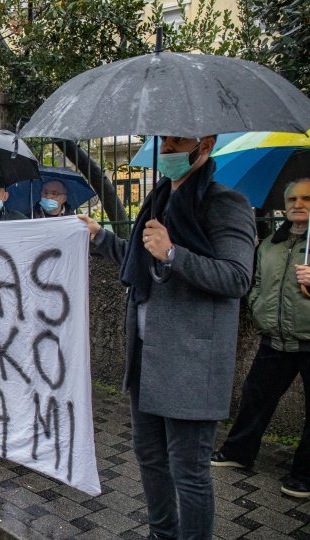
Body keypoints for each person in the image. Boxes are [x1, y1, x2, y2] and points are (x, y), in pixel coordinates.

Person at [78, 134, 256, 539]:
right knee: (149, 456)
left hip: (191, 364)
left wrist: (174, 254)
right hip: (147, 356)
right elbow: (140, 259)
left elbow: (236, 277)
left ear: (205, 143)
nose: (169, 149)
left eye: (178, 140)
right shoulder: (158, 200)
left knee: (188, 470)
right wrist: (100, 236)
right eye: (165, 140)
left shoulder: (225, 203)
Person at [211, 177, 310, 499]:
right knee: (255, 396)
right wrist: (257, 308)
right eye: (292, 199)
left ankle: (304, 475)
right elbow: (255, 283)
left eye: (307, 199)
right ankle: (238, 452)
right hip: (275, 339)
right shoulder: (270, 244)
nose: (298, 204)